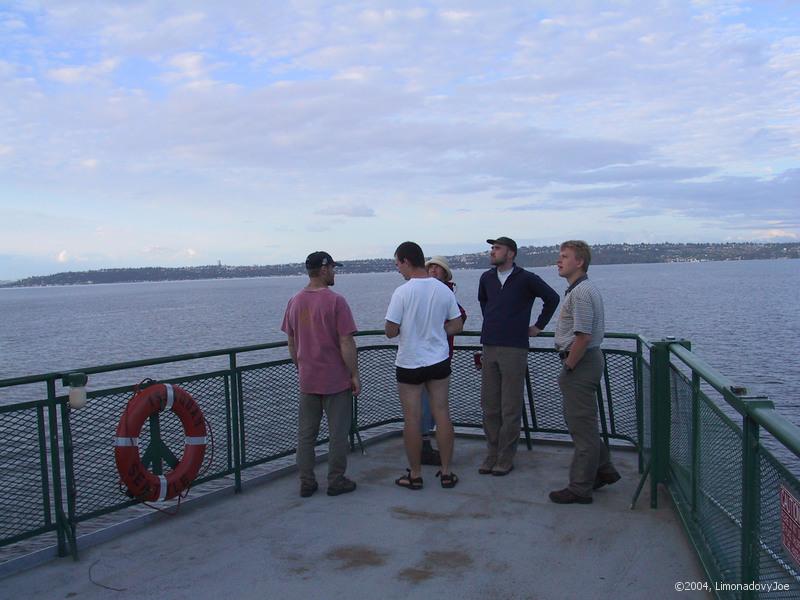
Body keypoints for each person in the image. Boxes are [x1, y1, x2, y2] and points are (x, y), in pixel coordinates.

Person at [281, 251, 360, 498]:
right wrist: (354, 374)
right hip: (335, 379)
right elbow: (346, 342)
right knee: (337, 434)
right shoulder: (336, 301)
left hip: (308, 379)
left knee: (306, 435)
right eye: (333, 268)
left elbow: (291, 343)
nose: (335, 272)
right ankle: (336, 480)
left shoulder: (294, 301)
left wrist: (301, 367)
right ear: (324, 270)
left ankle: (307, 481)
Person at [478, 236, 559, 476]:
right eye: (492, 248)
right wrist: (494, 323)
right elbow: (484, 303)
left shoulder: (526, 279)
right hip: (490, 346)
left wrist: (538, 326)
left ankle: (505, 457)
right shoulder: (487, 278)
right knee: (489, 406)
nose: (492, 252)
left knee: (510, 406)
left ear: (511, 253)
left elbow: (552, 299)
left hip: (514, 348)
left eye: (497, 248)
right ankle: (491, 454)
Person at [385, 242, 464, 490]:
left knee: (412, 418)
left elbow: (390, 331)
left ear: (407, 261)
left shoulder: (402, 292)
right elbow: (457, 324)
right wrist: (437, 332)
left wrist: (407, 329)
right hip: (438, 360)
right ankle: (447, 472)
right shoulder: (443, 290)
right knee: (442, 413)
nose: (397, 268)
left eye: (398, 263)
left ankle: (416, 474)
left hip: (410, 363)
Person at [549, 240, 620, 504]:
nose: (559, 261)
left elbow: (583, 337)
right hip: (585, 361)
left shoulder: (580, 293)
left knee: (582, 428)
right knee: (583, 423)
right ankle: (604, 469)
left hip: (580, 362)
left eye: (564, 257)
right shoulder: (581, 289)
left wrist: (568, 367)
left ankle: (580, 487)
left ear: (579, 262)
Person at [418, 256, 467, 466]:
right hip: (425, 358)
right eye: (430, 267)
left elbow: (460, 317)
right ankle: (426, 445)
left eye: (438, 268)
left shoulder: (444, 293)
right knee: (427, 405)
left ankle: (425, 446)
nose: (433, 270)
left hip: (434, 358)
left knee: (431, 405)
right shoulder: (432, 292)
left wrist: (436, 332)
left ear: (445, 273)